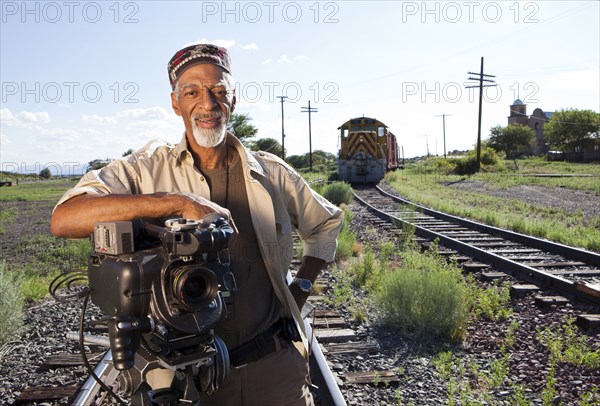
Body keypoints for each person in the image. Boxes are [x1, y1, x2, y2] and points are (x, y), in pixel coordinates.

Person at [50, 43, 343, 405]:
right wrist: (172, 203)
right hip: (181, 379)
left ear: (233, 101)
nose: (208, 103)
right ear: (175, 103)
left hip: (273, 367)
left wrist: (300, 288)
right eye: (192, 91)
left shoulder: (273, 174)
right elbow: (65, 218)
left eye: (219, 91)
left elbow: (326, 224)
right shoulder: (144, 170)